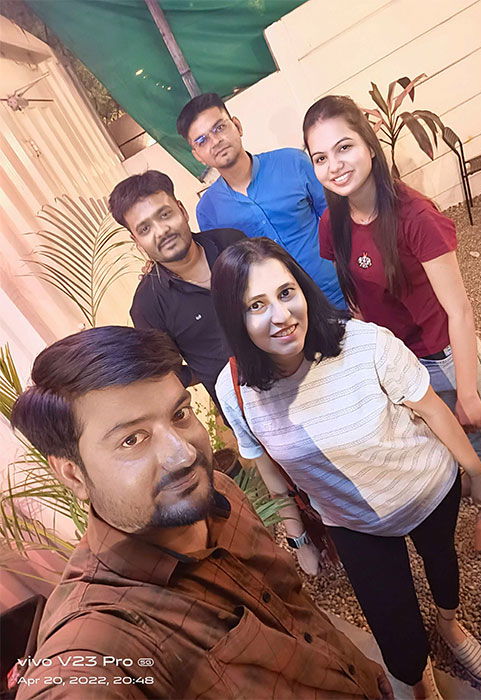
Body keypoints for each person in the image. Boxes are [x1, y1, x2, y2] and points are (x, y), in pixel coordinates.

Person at [11, 326, 392, 700]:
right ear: (73, 474)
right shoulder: (102, 638)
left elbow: (295, 609)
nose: (183, 454)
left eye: (179, 414)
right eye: (132, 439)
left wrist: (363, 671)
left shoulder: (218, 493)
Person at [211, 237, 481, 699]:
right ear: (234, 317)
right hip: (351, 520)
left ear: (303, 289)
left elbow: (432, 409)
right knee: (391, 621)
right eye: (256, 305)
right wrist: (299, 537)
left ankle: (449, 623)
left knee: (442, 563)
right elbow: (267, 466)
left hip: (425, 487)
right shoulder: (235, 389)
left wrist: (479, 477)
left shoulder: (365, 343)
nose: (281, 316)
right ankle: (416, 678)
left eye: (286, 293)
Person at [302, 95, 481, 552]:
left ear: (369, 144)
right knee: (434, 431)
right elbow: (356, 293)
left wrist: (468, 390)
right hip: (398, 357)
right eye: (320, 157)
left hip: (441, 350)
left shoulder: (416, 217)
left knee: (473, 426)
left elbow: (460, 310)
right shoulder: (332, 221)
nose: (334, 165)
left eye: (344, 147)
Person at [176, 92, 345, 309]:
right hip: (282, 314)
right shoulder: (208, 210)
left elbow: (340, 221)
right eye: (202, 140)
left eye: (219, 127)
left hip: (340, 293)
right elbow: (231, 271)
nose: (215, 141)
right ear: (197, 155)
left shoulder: (293, 162)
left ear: (237, 126)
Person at [108, 170, 244, 408]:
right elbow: (165, 373)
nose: (161, 231)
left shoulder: (232, 243)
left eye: (165, 214)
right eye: (145, 229)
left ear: (181, 210)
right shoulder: (148, 305)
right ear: (136, 241)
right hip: (246, 414)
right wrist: (209, 371)